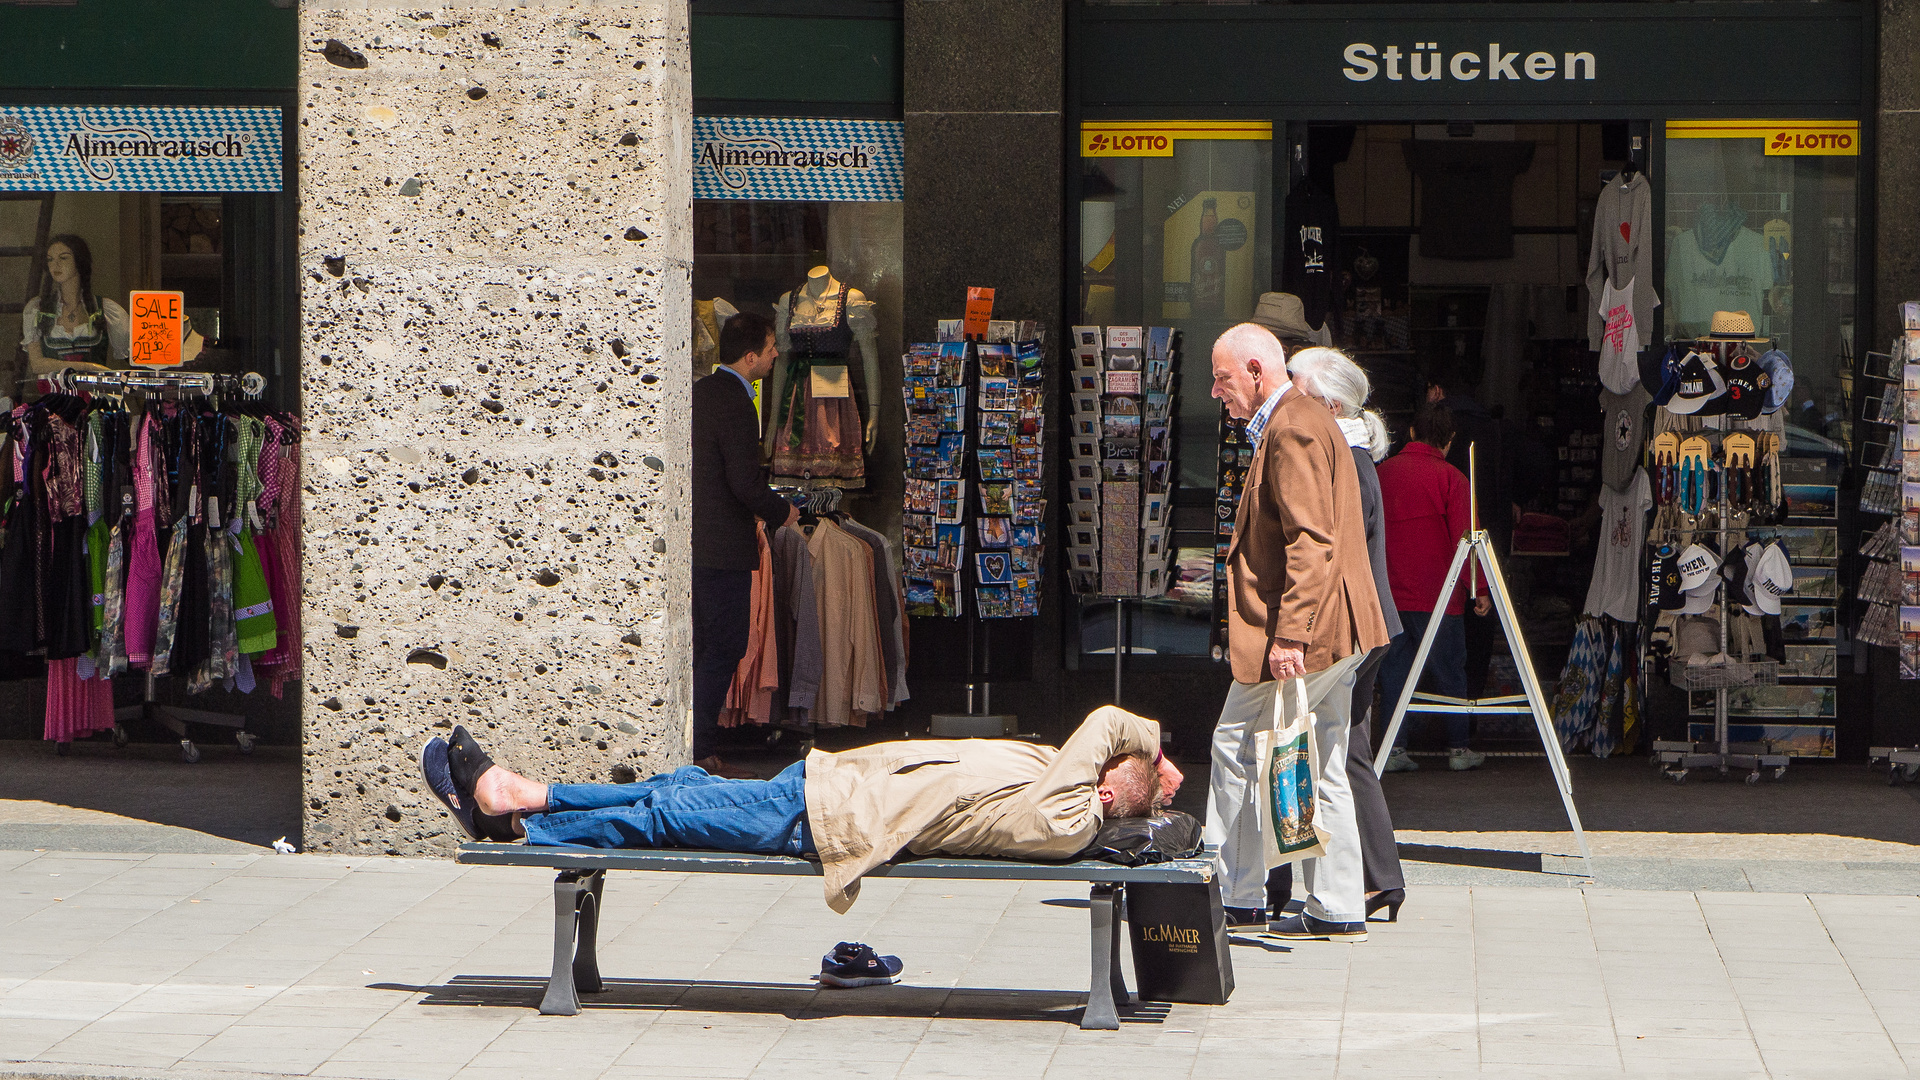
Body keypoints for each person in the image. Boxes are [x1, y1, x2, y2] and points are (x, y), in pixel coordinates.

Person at [419, 707, 1182, 913]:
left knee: (664, 816)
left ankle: (517, 813)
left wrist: (1147, 745)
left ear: (1106, 791)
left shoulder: (1065, 817)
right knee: (680, 788)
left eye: (1102, 771)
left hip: (819, 820)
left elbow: (1109, 719)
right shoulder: (1053, 775)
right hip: (822, 784)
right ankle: (528, 798)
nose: (1086, 763)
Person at [1205, 323, 1390, 943]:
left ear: (1257, 371)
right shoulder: (1301, 420)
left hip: (1311, 634)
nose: (1214, 392)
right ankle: (1335, 904)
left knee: (1236, 744)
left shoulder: (1293, 425)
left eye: (1223, 378)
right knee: (1328, 755)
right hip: (1336, 631)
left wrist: (1290, 635)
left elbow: (1312, 540)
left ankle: (1230, 891)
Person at [1267, 346, 1408, 923]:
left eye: (1297, 388)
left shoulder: (1339, 456)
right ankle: (1374, 881)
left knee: (1292, 748)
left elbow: (1320, 550)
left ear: (1327, 402)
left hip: (1342, 627)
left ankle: (1275, 886)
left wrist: (1294, 631)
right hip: (1363, 623)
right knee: (1340, 753)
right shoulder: (1350, 454)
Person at [692, 312, 799, 779]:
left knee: (706, 648)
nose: (777, 354)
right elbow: (744, 482)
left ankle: (695, 743)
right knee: (724, 646)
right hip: (721, 550)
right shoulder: (737, 401)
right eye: (772, 347)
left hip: (699, 545)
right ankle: (699, 748)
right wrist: (783, 512)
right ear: (751, 356)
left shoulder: (700, 393)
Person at [1375, 401, 1487, 773]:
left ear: (1410, 432)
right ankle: (1458, 748)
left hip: (1390, 593)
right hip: (1440, 595)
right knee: (1450, 672)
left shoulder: (1381, 474)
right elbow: (1466, 540)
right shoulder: (1453, 479)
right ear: (1450, 440)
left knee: (1393, 673)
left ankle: (1392, 748)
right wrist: (1479, 589)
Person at [22, 234, 205, 375]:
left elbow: (137, 351)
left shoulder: (107, 309)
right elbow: (37, 364)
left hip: (96, 403)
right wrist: (90, 367)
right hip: (54, 404)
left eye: (63, 258)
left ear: (79, 260)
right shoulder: (37, 309)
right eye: (50, 259)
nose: (56, 265)